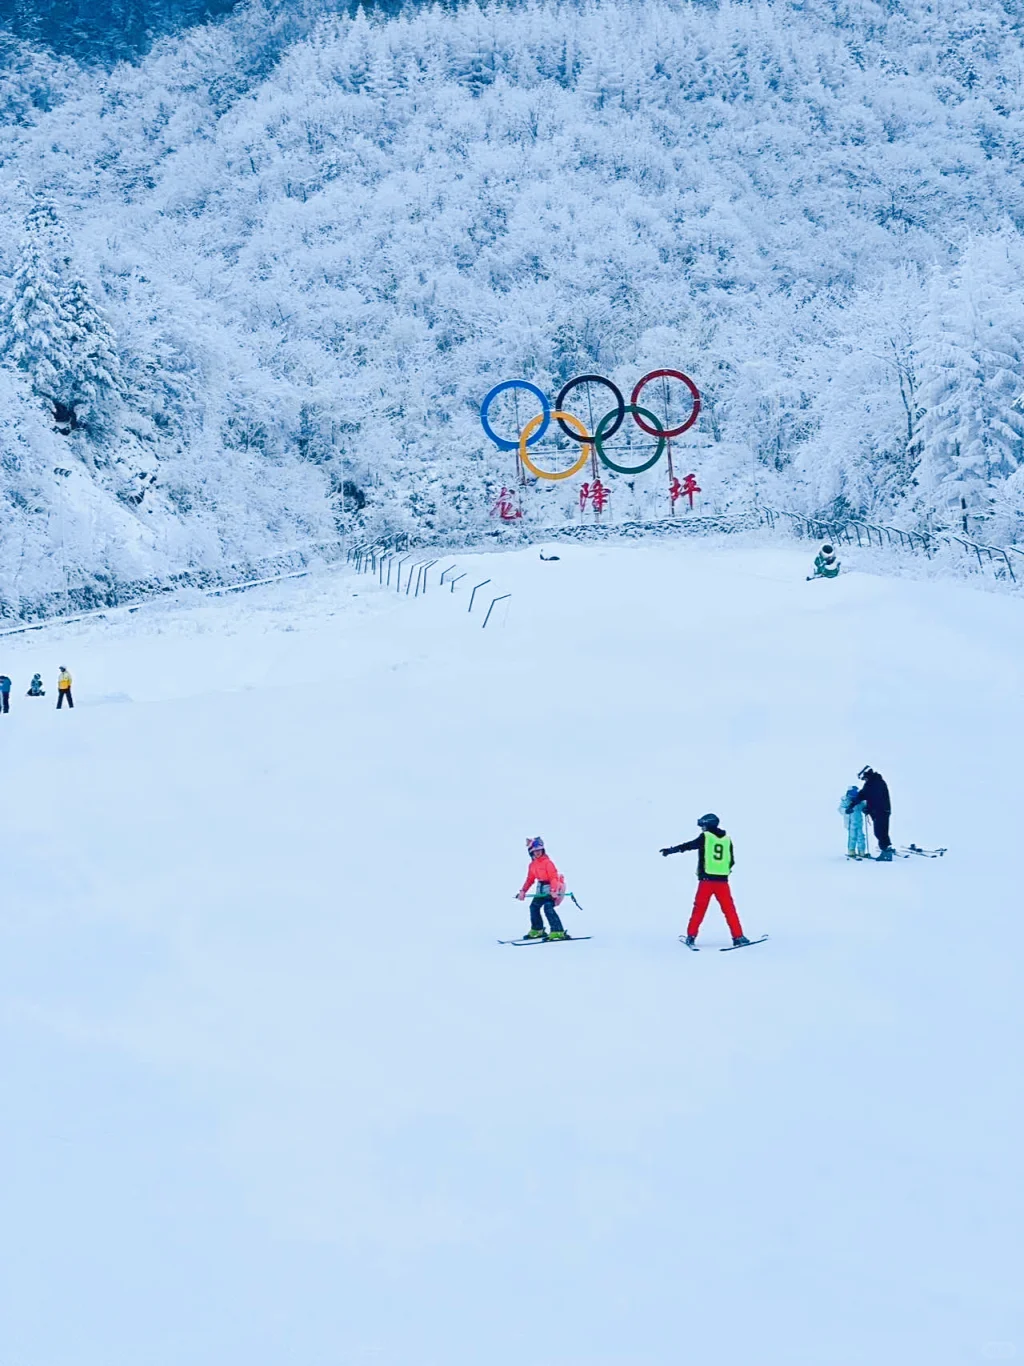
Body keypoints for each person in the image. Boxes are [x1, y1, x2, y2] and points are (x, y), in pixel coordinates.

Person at [661, 813, 750, 947]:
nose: (702, 828)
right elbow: (731, 860)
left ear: (708, 824)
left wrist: (671, 850)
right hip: (723, 882)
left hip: (706, 881)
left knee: (699, 909)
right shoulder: (727, 839)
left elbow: (689, 845)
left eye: (703, 825)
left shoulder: (706, 837)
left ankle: (691, 937)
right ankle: (738, 937)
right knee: (730, 910)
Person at [516, 837, 569, 940]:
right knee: (533, 907)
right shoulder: (532, 865)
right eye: (535, 851)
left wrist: (554, 891)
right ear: (531, 852)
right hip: (541, 890)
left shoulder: (548, 863)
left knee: (548, 907)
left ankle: (558, 931)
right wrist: (523, 891)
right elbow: (529, 880)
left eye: (539, 850)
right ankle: (537, 929)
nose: (537, 853)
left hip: (552, 888)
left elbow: (553, 877)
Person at [847, 766, 892, 860]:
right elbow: (863, 795)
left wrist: (869, 808)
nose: (864, 780)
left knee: (880, 832)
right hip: (881, 811)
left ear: (866, 774)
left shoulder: (875, 784)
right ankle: (887, 849)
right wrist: (852, 805)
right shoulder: (874, 782)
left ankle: (886, 852)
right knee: (881, 831)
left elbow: (875, 799)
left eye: (863, 778)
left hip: (881, 811)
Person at [841, 784, 867, 859]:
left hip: (859, 822)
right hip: (850, 822)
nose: (852, 797)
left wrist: (866, 810)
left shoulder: (860, 801)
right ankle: (851, 850)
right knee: (852, 837)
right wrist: (846, 811)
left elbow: (864, 806)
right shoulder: (845, 800)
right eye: (851, 795)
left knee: (861, 837)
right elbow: (840, 809)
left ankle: (861, 851)